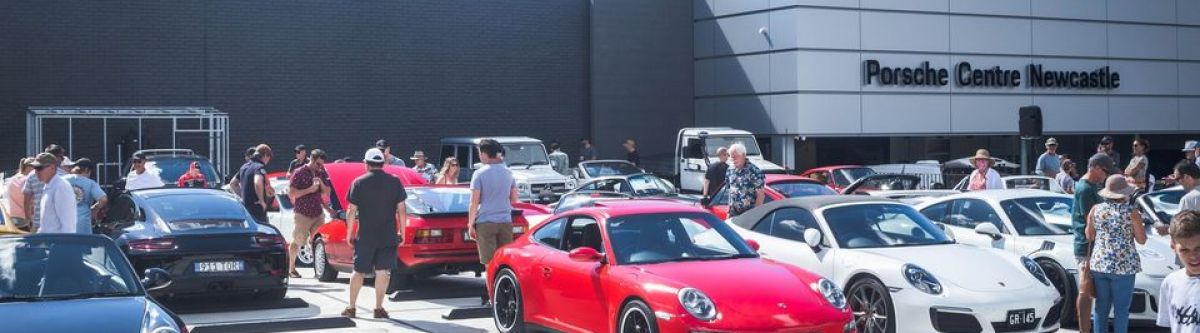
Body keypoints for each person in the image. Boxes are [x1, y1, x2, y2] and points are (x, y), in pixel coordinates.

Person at [342, 148, 407, 319]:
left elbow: (351, 211)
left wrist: (349, 233)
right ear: (382, 163)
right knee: (383, 271)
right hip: (388, 235)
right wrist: (403, 232)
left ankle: (351, 307)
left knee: (358, 271)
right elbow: (402, 209)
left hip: (365, 236)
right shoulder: (395, 181)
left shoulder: (358, 182)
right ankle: (378, 308)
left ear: (366, 163)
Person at [1086, 174, 1147, 333]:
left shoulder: (1095, 209)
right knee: (1121, 310)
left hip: (1099, 263)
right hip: (1124, 266)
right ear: (1125, 192)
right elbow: (1142, 240)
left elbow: (1089, 235)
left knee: (1101, 308)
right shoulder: (1132, 212)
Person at [1073, 152, 1121, 331]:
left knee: (1091, 291)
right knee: (1085, 290)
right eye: (1105, 171)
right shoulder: (1085, 188)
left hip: (1095, 245)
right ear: (1095, 168)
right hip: (1087, 245)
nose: (1106, 176)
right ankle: (1084, 329)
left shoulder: (1092, 186)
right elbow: (1091, 220)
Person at [468, 138, 518, 303]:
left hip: (486, 221)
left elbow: (474, 202)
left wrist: (470, 224)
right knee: (505, 261)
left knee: (489, 263)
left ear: (484, 153)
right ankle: (506, 295)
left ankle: (492, 298)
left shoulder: (479, 173)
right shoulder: (508, 172)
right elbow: (514, 199)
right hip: (505, 220)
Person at [288, 149, 333, 278]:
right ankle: (291, 269)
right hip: (302, 213)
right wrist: (310, 189)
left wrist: (321, 183)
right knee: (297, 240)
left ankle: (318, 270)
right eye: (318, 164)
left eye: (322, 164)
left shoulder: (321, 173)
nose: (320, 167)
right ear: (311, 160)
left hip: (317, 213)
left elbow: (327, 192)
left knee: (318, 242)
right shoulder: (299, 172)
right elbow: (292, 193)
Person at [1157, 210, 1200, 332]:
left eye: (1198, 248)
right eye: (1185, 250)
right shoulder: (1170, 283)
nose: (1193, 256)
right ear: (1173, 247)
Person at [29, 153, 75, 234]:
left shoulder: (61, 187)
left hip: (58, 241)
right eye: (35, 168)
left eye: (39, 168)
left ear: (52, 167)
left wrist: (66, 241)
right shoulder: (49, 186)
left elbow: (68, 225)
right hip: (49, 240)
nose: (35, 172)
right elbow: (46, 225)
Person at [62, 158, 107, 235]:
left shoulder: (62, 180)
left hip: (63, 223)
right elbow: (103, 199)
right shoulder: (91, 183)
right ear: (87, 170)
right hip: (83, 224)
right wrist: (95, 209)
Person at [724, 143, 764, 218]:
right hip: (733, 212)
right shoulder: (730, 170)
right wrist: (729, 211)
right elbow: (730, 191)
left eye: (735, 157)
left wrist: (756, 215)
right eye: (731, 157)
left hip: (749, 213)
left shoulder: (754, 171)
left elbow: (761, 195)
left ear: (743, 155)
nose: (733, 159)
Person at [237, 145, 274, 223]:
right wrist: (262, 201)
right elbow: (257, 182)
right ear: (265, 156)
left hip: (246, 207)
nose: (268, 160)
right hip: (257, 208)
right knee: (262, 229)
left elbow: (233, 183)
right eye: (269, 157)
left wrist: (242, 197)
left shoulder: (244, 167)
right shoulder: (259, 167)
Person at [5, 158, 33, 229]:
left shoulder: (11, 180)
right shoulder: (27, 181)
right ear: (28, 167)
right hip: (25, 218)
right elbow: (30, 201)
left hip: (12, 217)